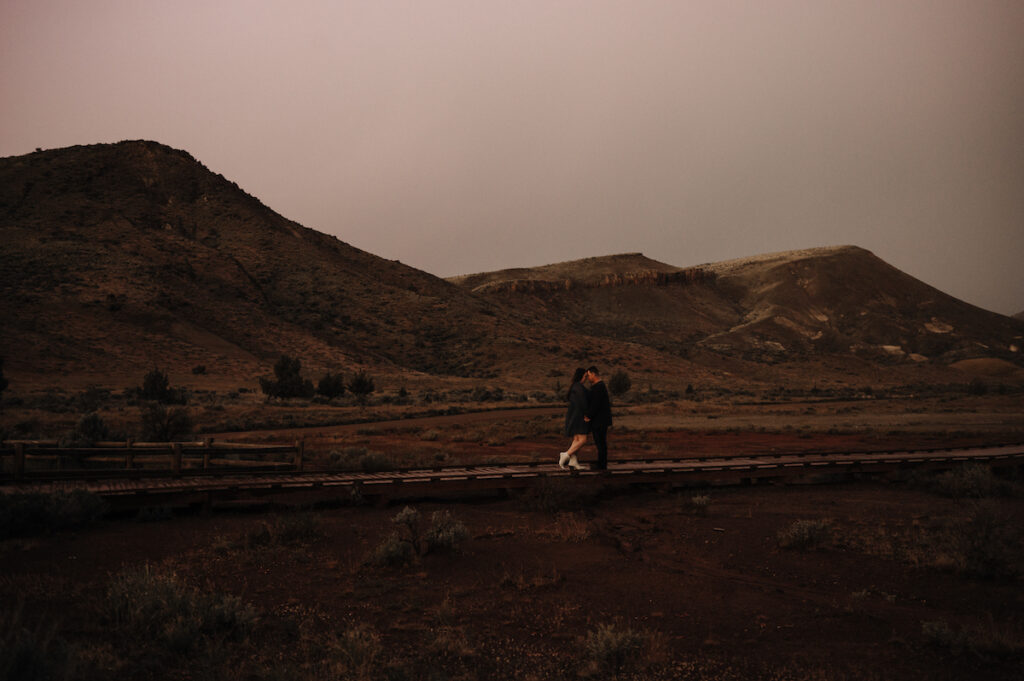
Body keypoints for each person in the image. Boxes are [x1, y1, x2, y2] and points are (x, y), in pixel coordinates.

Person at [559, 367, 589, 470]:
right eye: (585, 376)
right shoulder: (579, 387)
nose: (586, 378)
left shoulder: (574, 387)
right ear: (581, 376)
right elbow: (583, 403)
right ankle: (566, 454)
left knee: (576, 439)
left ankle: (573, 461)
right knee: (583, 440)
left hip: (574, 416)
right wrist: (587, 414)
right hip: (579, 417)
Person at [583, 366, 612, 470]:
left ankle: (602, 465)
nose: (588, 378)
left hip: (599, 421)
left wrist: (588, 416)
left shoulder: (599, 387)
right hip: (600, 420)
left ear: (594, 374)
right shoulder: (598, 386)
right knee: (601, 443)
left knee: (600, 443)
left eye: (589, 375)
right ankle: (601, 464)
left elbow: (595, 404)